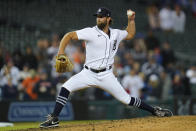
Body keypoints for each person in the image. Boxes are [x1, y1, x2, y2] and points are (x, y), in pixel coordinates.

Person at [40, 7, 173, 128]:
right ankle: (54, 118)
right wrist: (61, 52)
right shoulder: (90, 32)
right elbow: (69, 35)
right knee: (65, 88)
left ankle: (154, 111)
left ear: (108, 19)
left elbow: (130, 34)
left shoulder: (116, 34)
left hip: (107, 75)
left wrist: (131, 20)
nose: (98, 18)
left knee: (127, 100)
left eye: (101, 16)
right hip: (88, 73)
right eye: (97, 16)